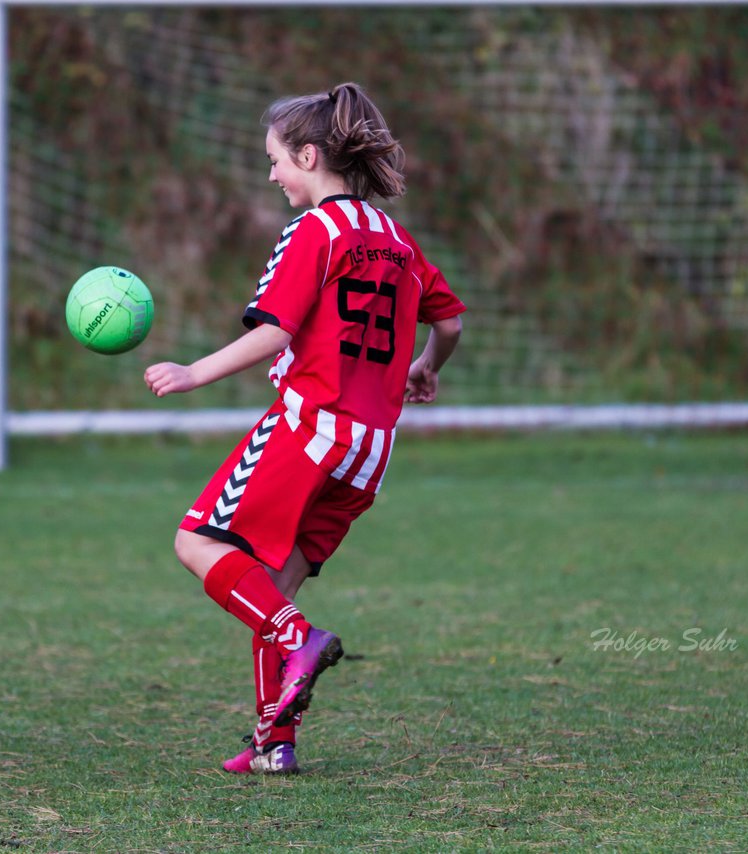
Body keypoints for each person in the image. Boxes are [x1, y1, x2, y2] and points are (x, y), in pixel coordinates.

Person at [144, 82, 465, 774]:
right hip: (371, 449)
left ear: (312, 155)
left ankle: (301, 640)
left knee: (196, 540)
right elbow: (452, 322)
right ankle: (274, 745)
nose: (272, 174)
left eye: (277, 160)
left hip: (311, 425)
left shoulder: (316, 231)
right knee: (271, 585)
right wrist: (424, 367)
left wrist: (195, 372)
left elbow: (275, 331)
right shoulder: (397, 240)